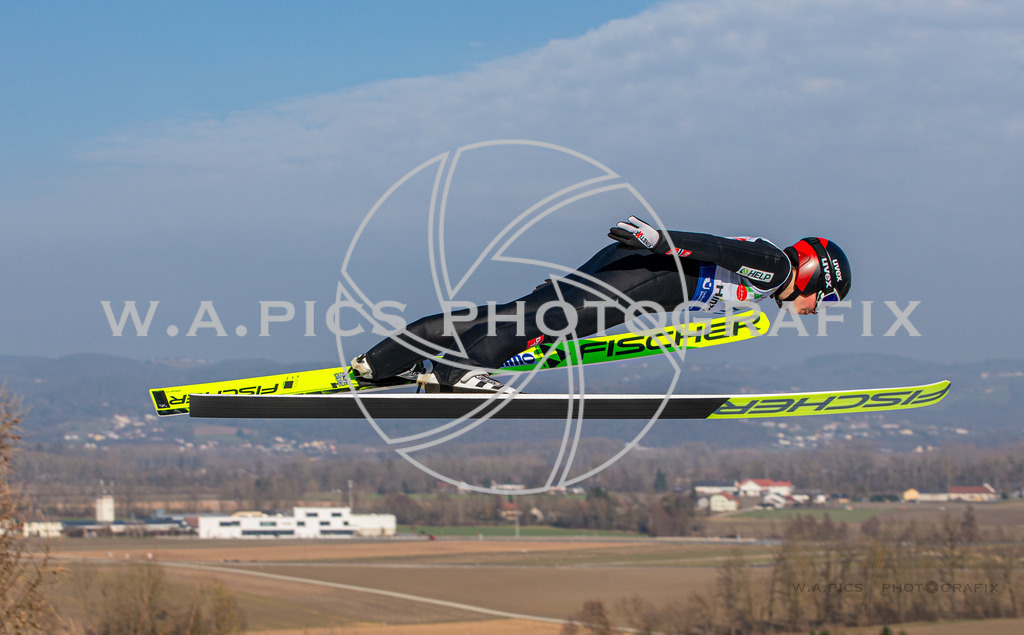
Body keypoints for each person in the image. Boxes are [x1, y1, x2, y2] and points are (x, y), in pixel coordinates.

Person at [349, 216, 851, 394]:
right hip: (647, 273)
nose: (814, 309)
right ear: (812, 275)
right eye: (822, 299)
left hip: (637, 270)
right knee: (545, 320)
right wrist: (662, 239)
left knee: (514, 315)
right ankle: (458, 372)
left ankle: (383, 361)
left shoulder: (767, 276)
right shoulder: (777, 268)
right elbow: (718, 249)